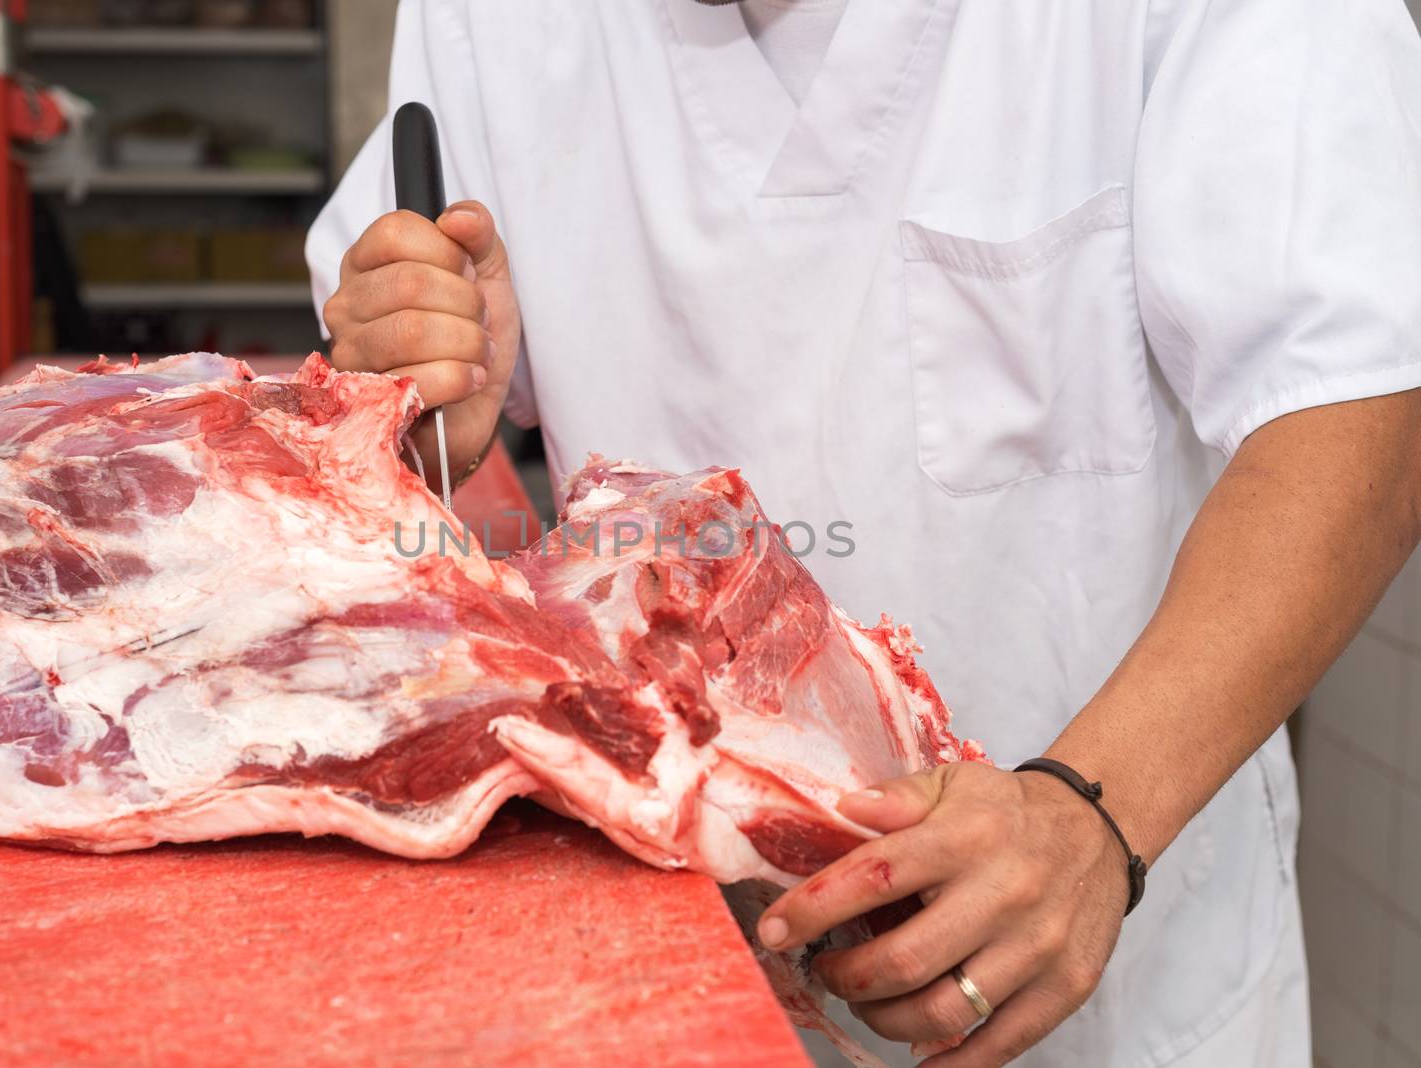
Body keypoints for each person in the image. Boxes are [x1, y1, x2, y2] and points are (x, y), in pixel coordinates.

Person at [306, 1, 1421, 1064]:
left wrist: (1088, 814)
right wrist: (427, 404)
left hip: (1105, 948)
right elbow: (430, 430)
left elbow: (1362, 408)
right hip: (665, 950)